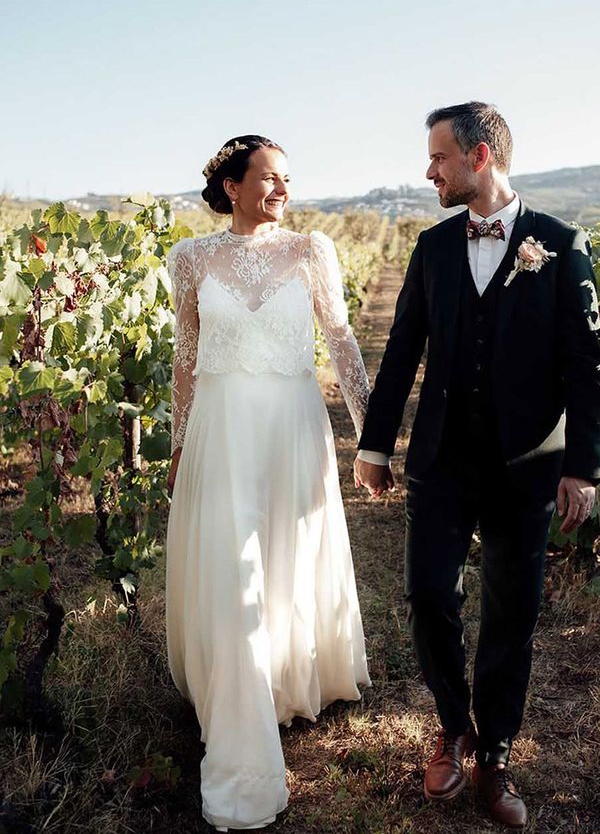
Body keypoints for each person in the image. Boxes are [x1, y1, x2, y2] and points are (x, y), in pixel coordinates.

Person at [354, 102, 600, 829]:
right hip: (441, 459)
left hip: (529, 466)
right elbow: (400, 350)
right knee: (429, 593)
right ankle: (451, 726)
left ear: (480, 156)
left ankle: (494, 752)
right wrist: (375, 446)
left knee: (512, 613)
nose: (429, 170)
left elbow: (588, 367)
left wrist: (583, 467)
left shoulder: (561, 244)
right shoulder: (431, 248)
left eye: (439, 157)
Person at [165, 135, 371, 831]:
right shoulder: (189, 259)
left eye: (288, 178)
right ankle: (240, 727)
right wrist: (176, 442)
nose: (283, 188)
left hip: (291, 425)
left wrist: (370, 433)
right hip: (220, 432)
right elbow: (185, 360)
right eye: (270, 177)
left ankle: (283, 678)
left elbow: (340, 340)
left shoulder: (313, 249)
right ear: (232, 186)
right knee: (233, 568)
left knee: (286, 550)